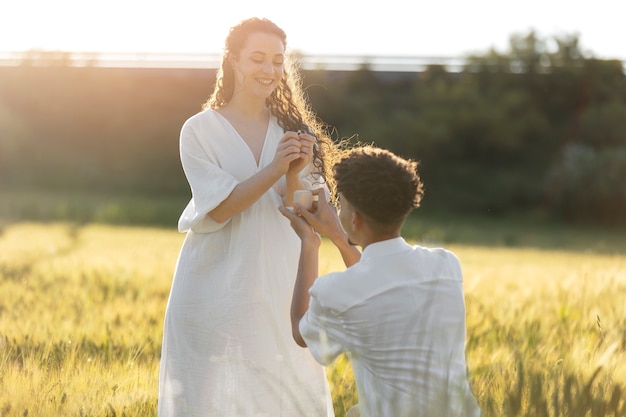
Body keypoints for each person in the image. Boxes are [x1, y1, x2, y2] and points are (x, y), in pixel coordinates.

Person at [157, 17, 339, 417]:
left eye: (277, 61)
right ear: (233, 61)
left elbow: (302, 212)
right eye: (257, 58)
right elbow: (221, 206)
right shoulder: (200, 130)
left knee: (285, 393)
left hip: (282, 283)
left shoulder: (294, 130)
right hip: (214, 286)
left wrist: (295, 174)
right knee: (209, 398)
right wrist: (276, 167)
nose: (269, 70)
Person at [279, 145, 482, 417]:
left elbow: (300, 331)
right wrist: (341, 238)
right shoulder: (446, 266)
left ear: (355, 218)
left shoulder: (336, 292)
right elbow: (380, 281)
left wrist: (310, 243)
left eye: (341, 202)